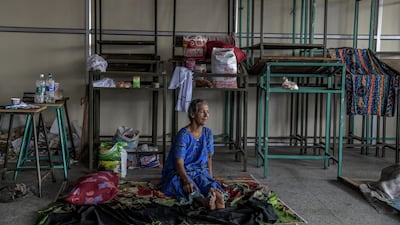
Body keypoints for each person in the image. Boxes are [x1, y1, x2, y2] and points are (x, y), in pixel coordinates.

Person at [161, 99, 225, 210]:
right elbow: (179, 163)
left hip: (199, 171)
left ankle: (215, 197)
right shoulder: (183, 135)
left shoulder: (208, 133)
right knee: (187, 187)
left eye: (207, 111)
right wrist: (186, 180)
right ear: (192, 114)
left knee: (208, 184)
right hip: (180, 172)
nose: (206, 115)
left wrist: (210, 178)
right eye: (202, 112)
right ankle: (204, 202)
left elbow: (209, 158)